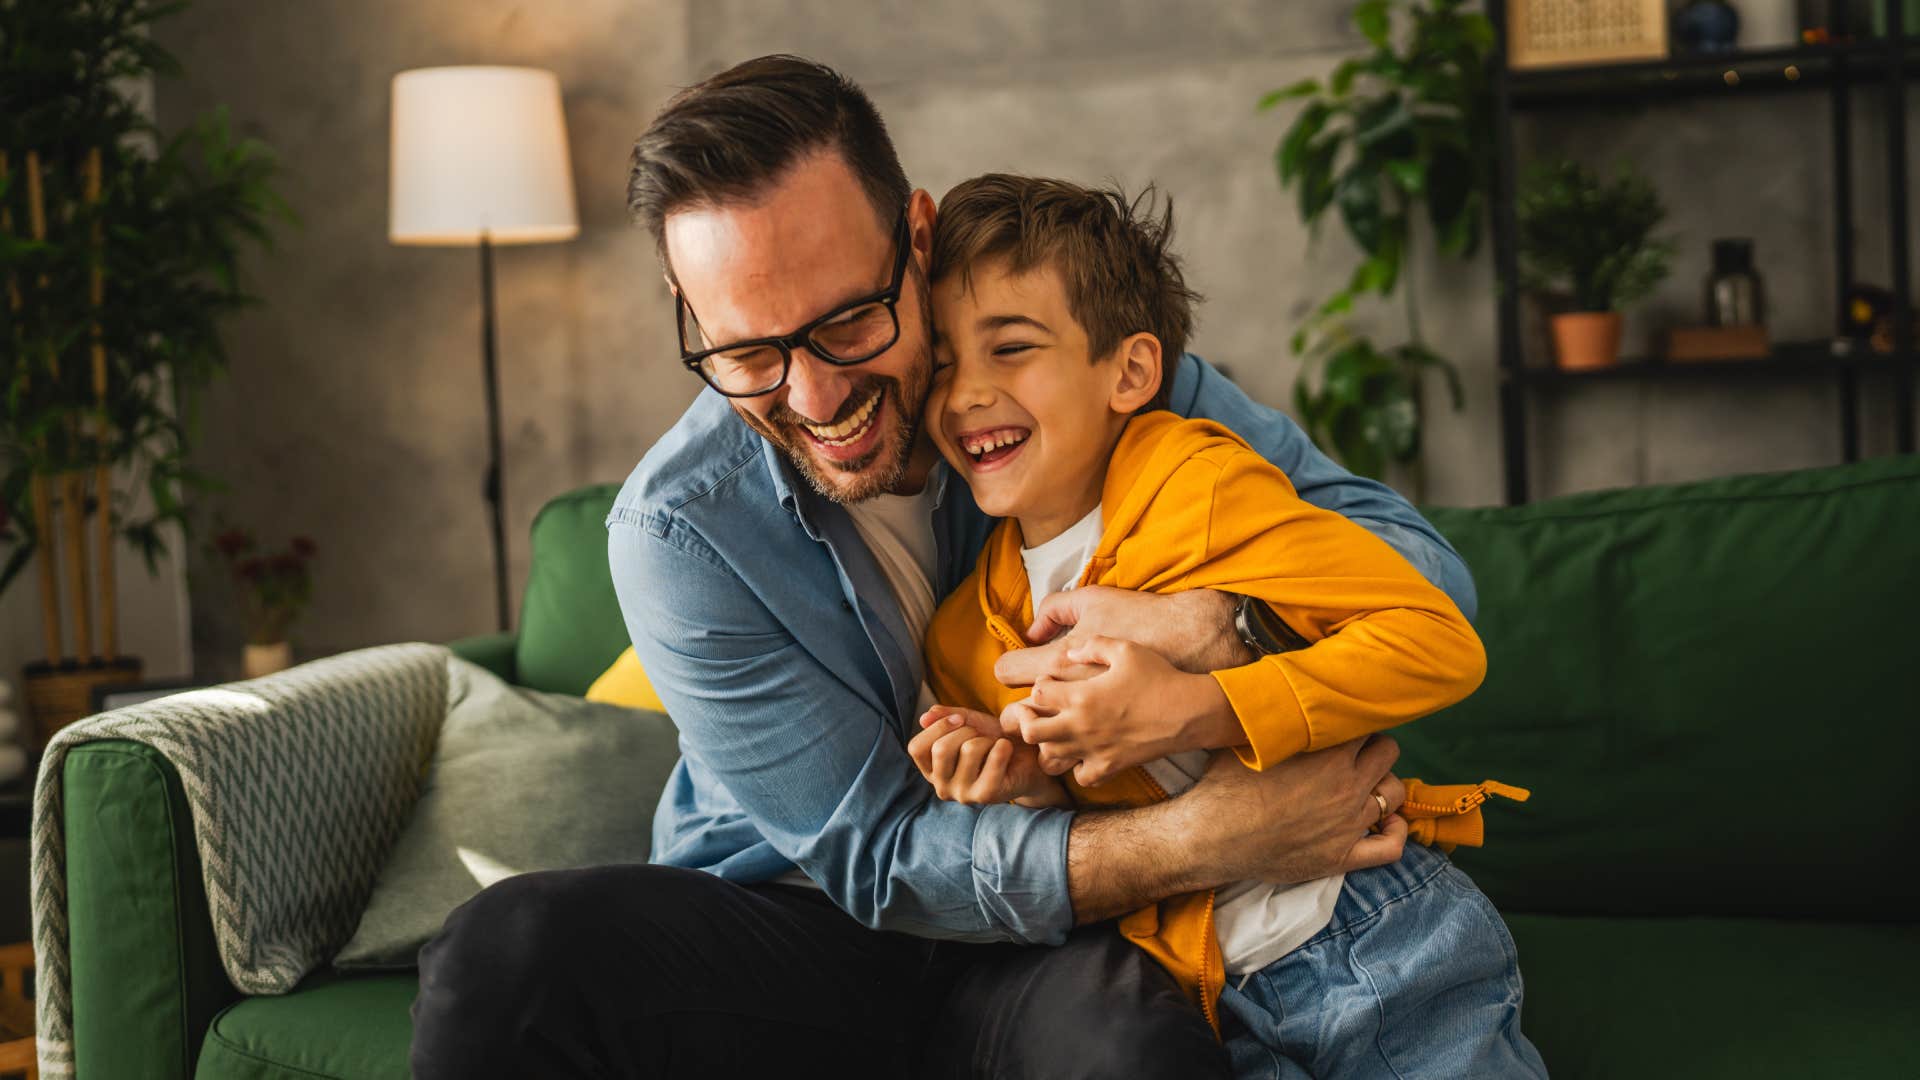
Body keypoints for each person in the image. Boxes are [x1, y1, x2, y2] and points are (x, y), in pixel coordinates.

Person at [410, 54, 1481, 1079]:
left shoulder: (1079, 372)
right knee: (503, 959)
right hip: (800, 930)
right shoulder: (678, 531)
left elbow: (1425, 579)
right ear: (692, 319)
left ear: (916, 237)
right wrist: (1204, 838)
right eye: (746, 353)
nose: (814, 401)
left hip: (1056, 934)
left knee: (1123, 1050)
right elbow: (878, 860)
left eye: (845, 323)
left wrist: (1220, 630)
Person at [905, 174, 1543, 1077]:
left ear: (1130, 371)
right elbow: (1103, 817)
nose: (965, 392)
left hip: (1369, 931)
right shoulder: (967, 634)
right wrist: (1020, 778)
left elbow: (1435, 640)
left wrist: (1202, 704)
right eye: (939, 362)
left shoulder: (1197, 482)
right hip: (1210, 988)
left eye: (1010, 348)